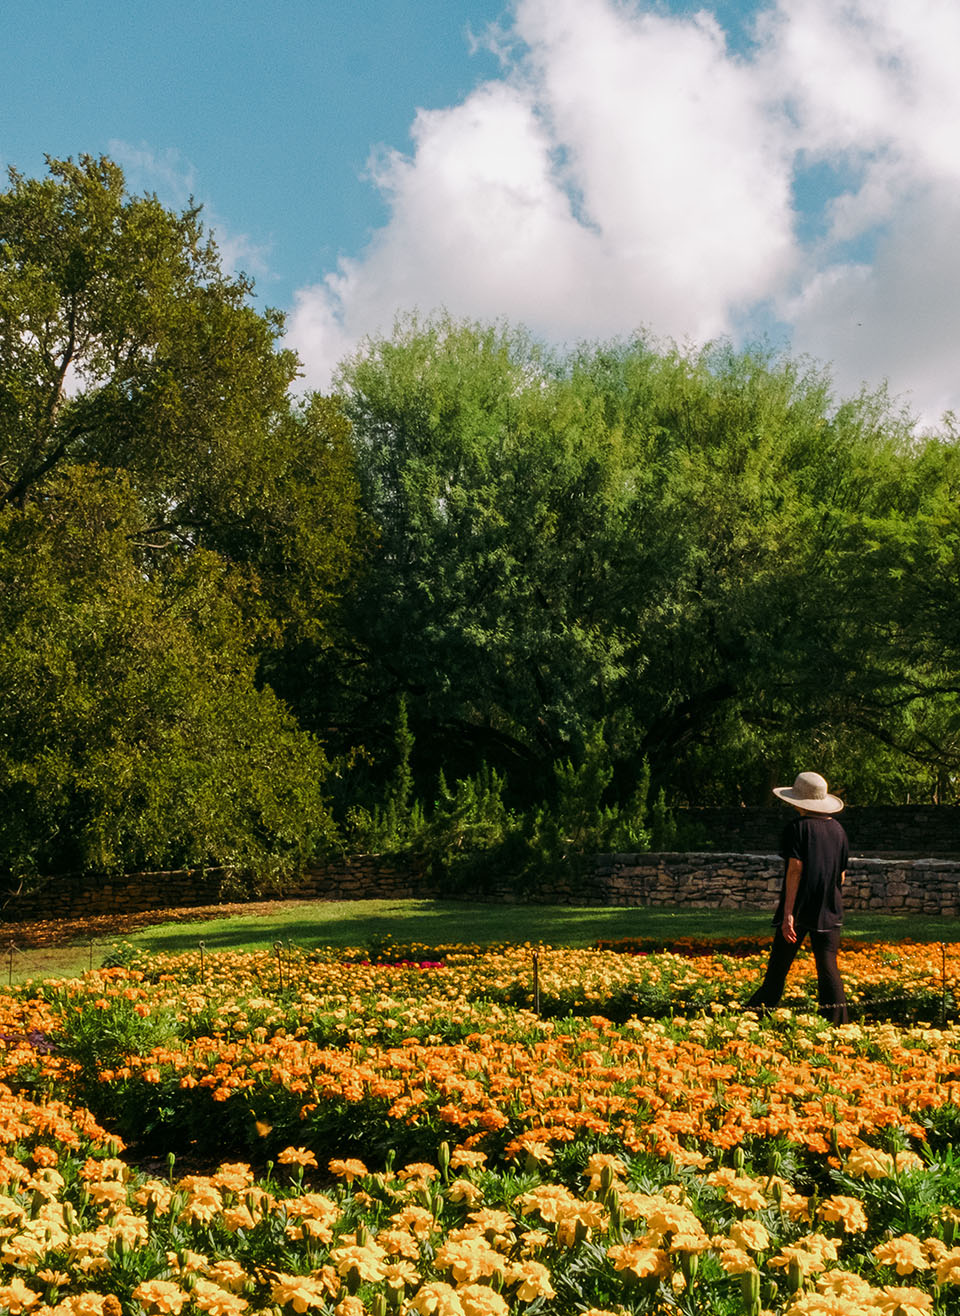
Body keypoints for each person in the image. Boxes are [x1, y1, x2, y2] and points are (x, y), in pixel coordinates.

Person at [745, 771, 849, 1024]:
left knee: (779, 964)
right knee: (828, 966)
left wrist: (788, 913)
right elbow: (841, 875)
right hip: (829, 906)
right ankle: (837, 1021)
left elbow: (795, 869)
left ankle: (756, 1014)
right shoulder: (838, 830)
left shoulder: (797, 828)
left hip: (800, 905)